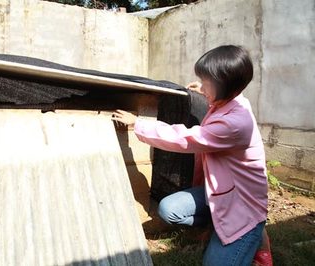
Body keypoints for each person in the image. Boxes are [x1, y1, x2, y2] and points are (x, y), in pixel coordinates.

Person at [112, 45, 272, 266]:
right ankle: (217, 226)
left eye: (207, 82)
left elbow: (185, 138)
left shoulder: (235, 123)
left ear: (226, 87)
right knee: (169, 210)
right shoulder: (234, 99)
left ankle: (253, 234)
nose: (203, 86)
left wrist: (138, 124)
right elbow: (222, 97)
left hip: (241, 205)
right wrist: (205, 90)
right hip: (220, 191)